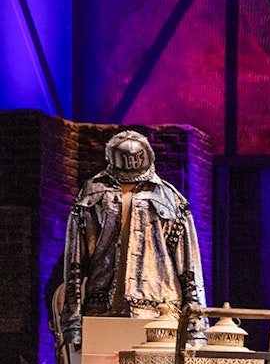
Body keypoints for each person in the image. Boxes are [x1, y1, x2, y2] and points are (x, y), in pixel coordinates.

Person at [61, 130, 207, 344]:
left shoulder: (170, 198)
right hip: (102, 313)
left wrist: (195, 327)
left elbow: (189, 266)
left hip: (161, 315)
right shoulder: (91, 194)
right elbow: (74, 262)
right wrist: (73, 324)